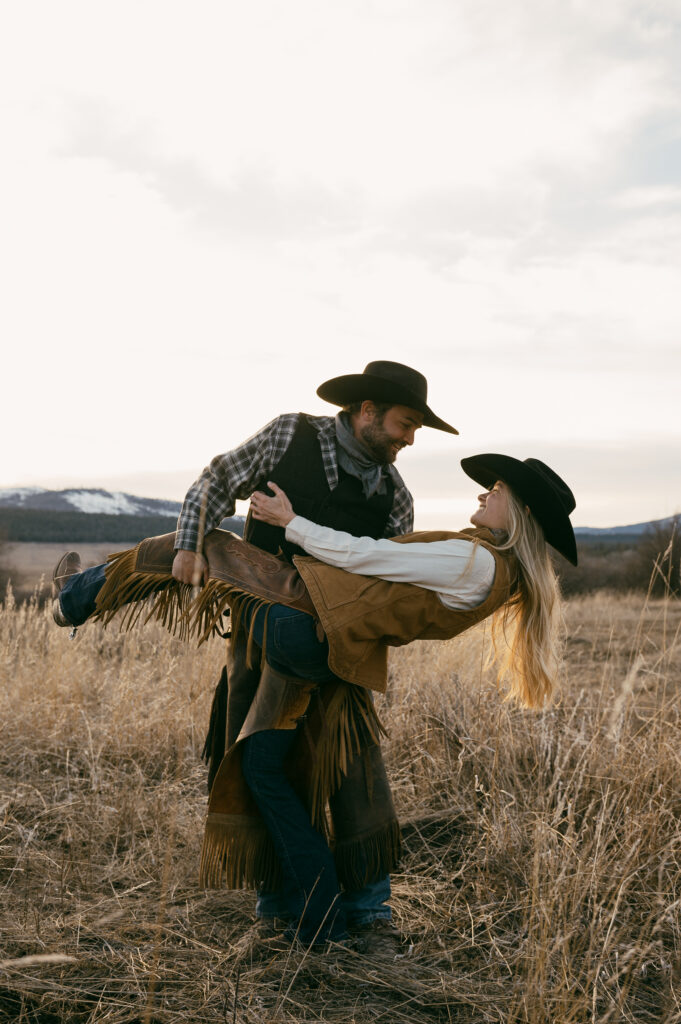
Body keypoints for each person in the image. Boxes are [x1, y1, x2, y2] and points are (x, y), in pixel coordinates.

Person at [52, 452, 577, 954]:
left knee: (202, 544)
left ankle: (74, 597)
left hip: (300, 625)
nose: (485, 493)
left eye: (498, 489)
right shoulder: (497, 574)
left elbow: (370, 553)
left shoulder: (476, 561)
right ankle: (322, 922)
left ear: (522, 512)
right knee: (262, 770)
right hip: (323, 644)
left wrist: (289, 520)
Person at [52, 360, 458, 955]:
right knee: (263, 758)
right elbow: (216, 481)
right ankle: (279, 915)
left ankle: (370, 917)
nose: (409, 438)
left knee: (350, 768)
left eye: (416, 427)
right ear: (366, 411)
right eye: (405, 423)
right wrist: (190, 545)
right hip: (259, 630)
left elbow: (387, 580)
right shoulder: (289, 435)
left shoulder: (395, 496)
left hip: (339, 640)